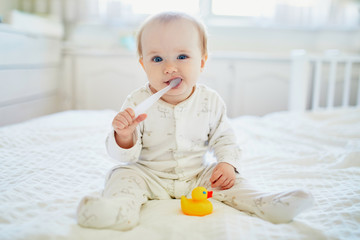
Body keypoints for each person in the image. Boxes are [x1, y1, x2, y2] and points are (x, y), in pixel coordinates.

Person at [77, 11, 314, 231]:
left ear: (201, 61)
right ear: (143, 65)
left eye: (182, 56)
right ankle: (119, 211)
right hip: (148, 175)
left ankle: (265, 204)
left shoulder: (210, 101)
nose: (170, 68)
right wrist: (124, 135)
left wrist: (227, 164)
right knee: (121, 175)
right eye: (157, 59)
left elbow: (225, 139)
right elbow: (123, 156)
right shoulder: (137, 101)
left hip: (196, 177)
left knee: (231, 181)